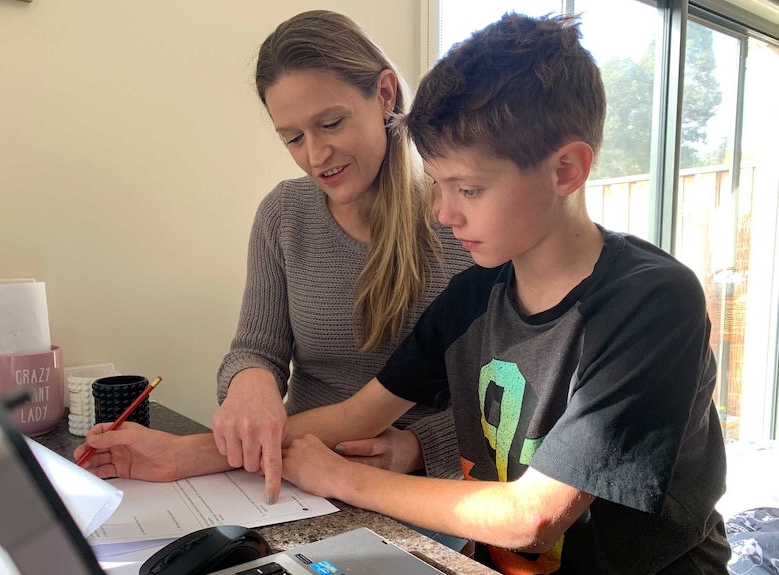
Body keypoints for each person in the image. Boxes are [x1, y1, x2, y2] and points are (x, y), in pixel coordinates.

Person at [76, 13, 732, 573]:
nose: (445, 214)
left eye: (467, 190)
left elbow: (532, 515)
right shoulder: (476, 295)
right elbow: (350, 417)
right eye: (439, 186)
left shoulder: (652, 303)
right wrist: (184, 455)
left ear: (566, 169)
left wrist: (340, 476)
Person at [211, 8, 473, 509]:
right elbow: (256, 349)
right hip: (296, 478)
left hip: (420, 492)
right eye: (292, 138)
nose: (315, 155)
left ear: (385, 95)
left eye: (330, 123)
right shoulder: (284, 213)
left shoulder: (461, 222)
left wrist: (418, 447)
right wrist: (250, 384)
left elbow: (504, 393)